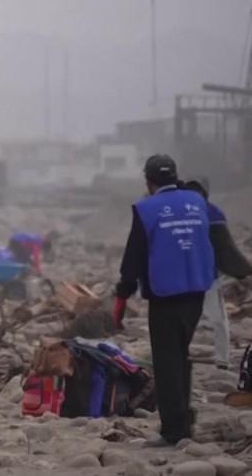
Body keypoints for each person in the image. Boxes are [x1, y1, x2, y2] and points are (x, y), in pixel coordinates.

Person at [113, 154, 215, 447]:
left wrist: (123, 295)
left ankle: (174, 431)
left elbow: (134, 257)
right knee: (181, 355)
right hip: (196, 291)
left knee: (167, 361)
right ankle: (185, 418)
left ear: (149, 181)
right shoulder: (197, 201)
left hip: (165, 295)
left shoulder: (146, 209)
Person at [184, 176, 252, 370]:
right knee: (218, 321)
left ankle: (181, 355)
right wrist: (244, 272)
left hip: (182, 279)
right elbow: (225, 249)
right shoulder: (213, 213)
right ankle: (222, 358)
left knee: (186, 319)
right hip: (206, 278)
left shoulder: (176, 212)